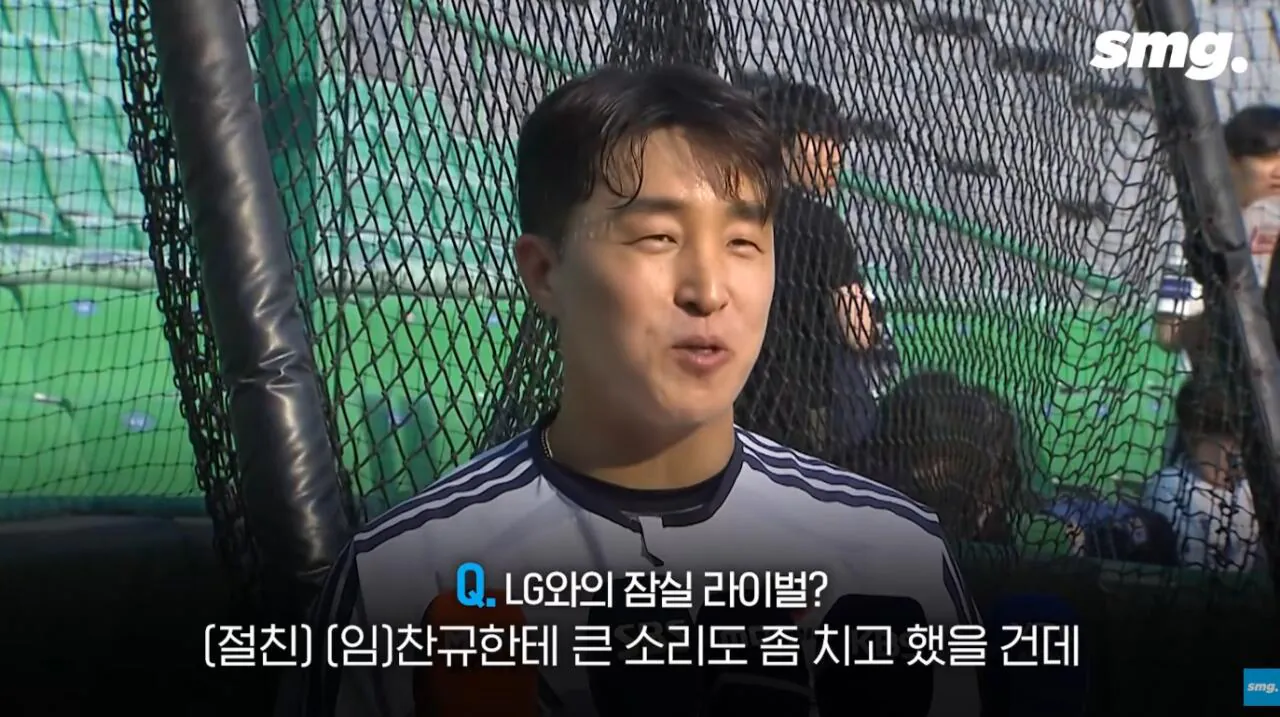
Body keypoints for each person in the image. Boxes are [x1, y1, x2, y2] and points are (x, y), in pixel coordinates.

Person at [290, 65, 980, 716]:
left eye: (743, 243)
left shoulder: (896, 558)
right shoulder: (409, 574)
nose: (708, 291)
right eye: (657, 237)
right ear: (545, 273)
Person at [736, 78, 888, 458]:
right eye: (823, 139)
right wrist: (874, 317)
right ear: (784, 143)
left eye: (839, 141)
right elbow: (857, 331)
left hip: (731, 398)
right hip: (802, 414)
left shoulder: (730, 213)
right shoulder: (821, 224)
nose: (836, 155)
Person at [1142, 379, 1262, 571]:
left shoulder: (1253, 491)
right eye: (1229, 451)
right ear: (1192, 438)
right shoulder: (1168, 487)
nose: (1237, 461)